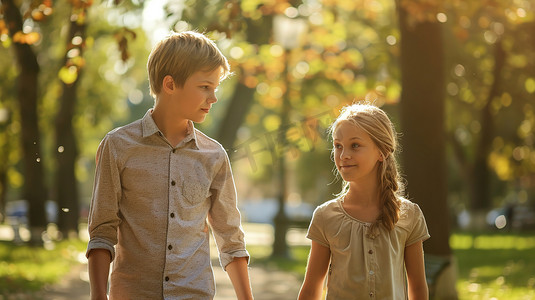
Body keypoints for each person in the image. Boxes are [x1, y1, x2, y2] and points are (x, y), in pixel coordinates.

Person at [86, 31, 253, 300]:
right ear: (170, 84)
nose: (213, 98)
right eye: (205, 87)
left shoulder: (214, 155)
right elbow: (102, 231)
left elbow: (230, 238)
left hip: (194, 293)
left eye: (216, 88)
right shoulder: (117, 146)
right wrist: (98, 294)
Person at [298, 103, 430, 299]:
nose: (344, 155)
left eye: (355, 145)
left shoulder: (409, 215)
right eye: (338, 146)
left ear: (382, 151)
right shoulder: (325, 216)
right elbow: (311, 289)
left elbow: (418, 288)